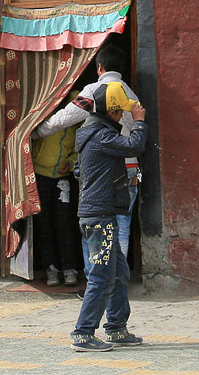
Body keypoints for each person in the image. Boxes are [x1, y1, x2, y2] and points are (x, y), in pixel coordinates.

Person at [38, 45, 141, 259]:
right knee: (121, 224)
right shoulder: (131, 95)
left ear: (99, 67)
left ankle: (98, 278)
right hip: (130, 167)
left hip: (101, 171)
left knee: (93, 225)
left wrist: (34, 132)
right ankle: (116, 278)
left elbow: (64, 118)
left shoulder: (94, 91)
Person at [70, 80, 147, 352]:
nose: (123, 116)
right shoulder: (102, 136)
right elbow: (135, 146)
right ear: (113, 112)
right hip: (99, 217)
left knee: (119, 271)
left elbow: (79, 171)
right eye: (122, 112)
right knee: (102, 276)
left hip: (99, 213)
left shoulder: (90, 134)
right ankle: (82, 333)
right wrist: (139, 122)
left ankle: (115, 327)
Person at [29, 87, 82, 286]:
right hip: (40, 176)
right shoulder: (47, 119)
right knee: (44, 224)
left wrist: (70, 161)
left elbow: (79, 150)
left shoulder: (77, 127)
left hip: (62, 179)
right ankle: (51, 268)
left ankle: (70, 268)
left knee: (64, 224)